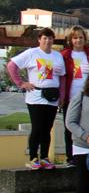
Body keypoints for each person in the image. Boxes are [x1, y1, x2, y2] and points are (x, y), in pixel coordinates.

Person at [6, 27, 66, 169]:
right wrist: (21, 83)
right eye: (44, 38)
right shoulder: (32, 53)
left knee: (47, 128)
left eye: (50, 38)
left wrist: (62, 95)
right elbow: (11, 65)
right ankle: (33, 157)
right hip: (36, 97)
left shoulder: (57, 56)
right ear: (39, 39)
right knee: (37, 127)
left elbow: (62, 76)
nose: (47, 41)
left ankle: (45, 157)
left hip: (52, 97)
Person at [60, 26, 89, 163]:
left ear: (85, 39)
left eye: (80, 37)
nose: (78, 40)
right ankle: (70, 157)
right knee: (70, 126)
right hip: (71, 97)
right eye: (75, 37)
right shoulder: (65, 55)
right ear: (70, 40)